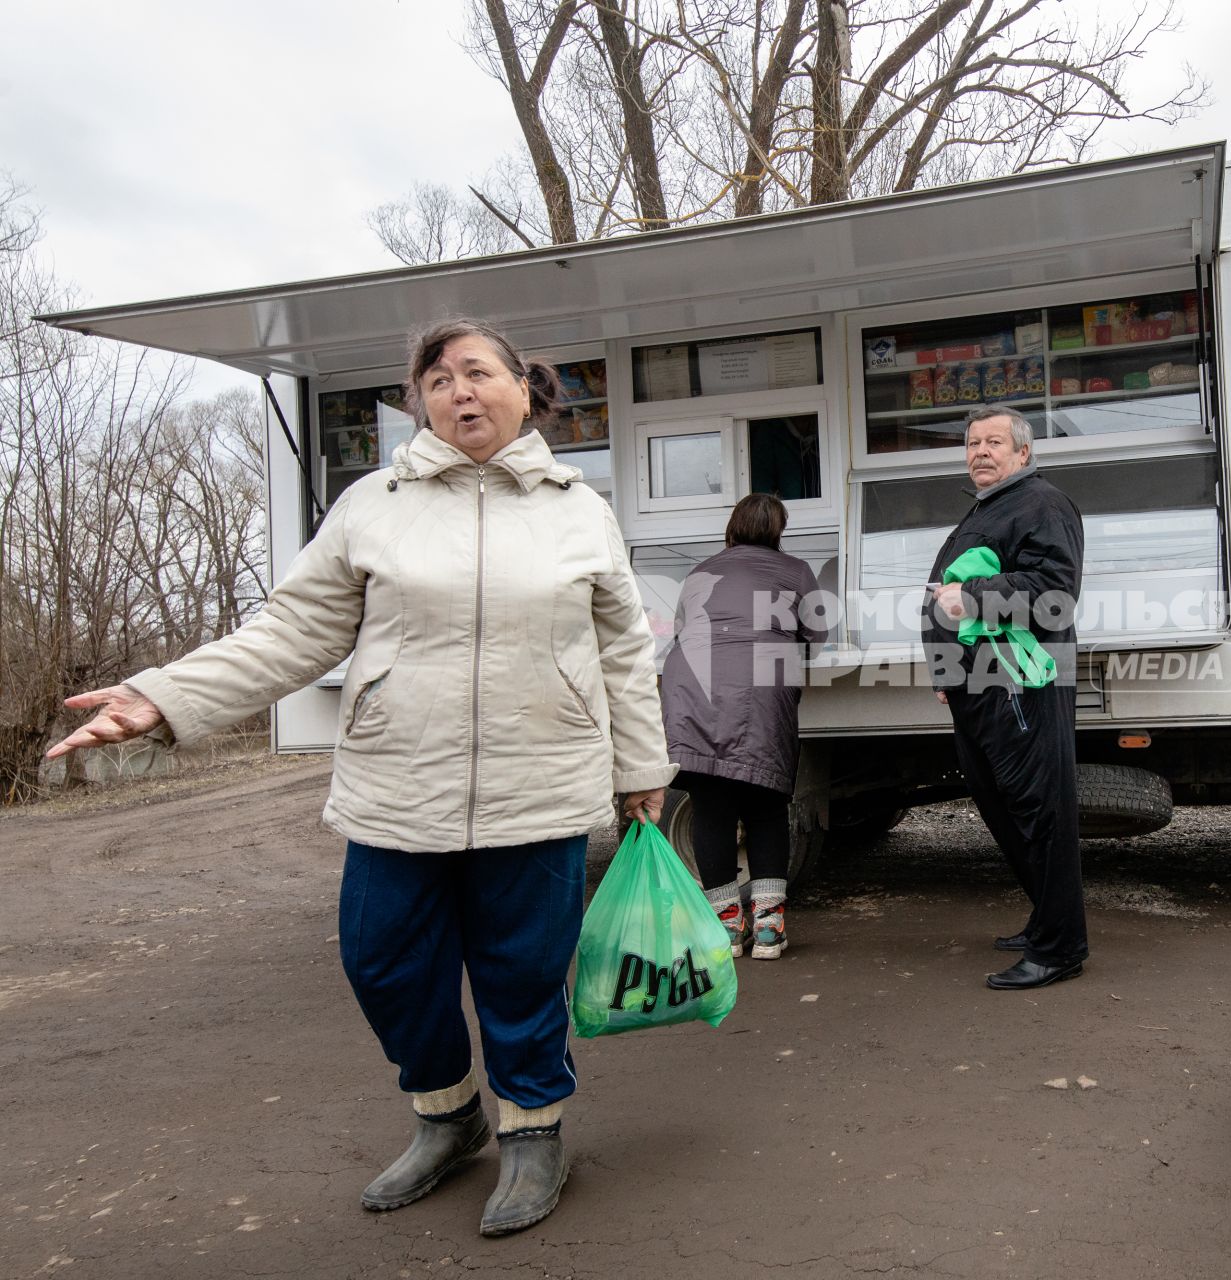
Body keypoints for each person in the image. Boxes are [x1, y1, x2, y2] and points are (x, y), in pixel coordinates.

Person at [45, 318, 675, 1238]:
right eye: (439, 378)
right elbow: (291, 631)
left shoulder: (580, 509)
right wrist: (162, 695)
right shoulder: (373, 503)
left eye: (479, 372)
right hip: (397, 784)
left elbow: (622, 650)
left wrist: (641, 770)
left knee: (524, 972)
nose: (460, 390)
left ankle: (534, 1130)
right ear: (419, 400)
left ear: (522, 389)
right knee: (383, 964)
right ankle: (447, 1115)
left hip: (538, 778)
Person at [922, 407, 1089, 991]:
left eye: (994, 442)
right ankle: (1047, 918)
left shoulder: (1043, 504)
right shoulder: (988, 508)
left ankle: (1060, 947)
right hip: (975, 684)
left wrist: (968, 596)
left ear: (1023, 452)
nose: (980, 451)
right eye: (972, 443)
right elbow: (938, 600)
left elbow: (1054, 594)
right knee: (1000, 805)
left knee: (1039, 809)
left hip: (1022, 680)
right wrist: (944, 670)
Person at [660, 493, 822, 960]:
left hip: (691, 691)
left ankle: (727, 931)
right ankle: (769, 931)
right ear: (778, 532)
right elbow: (817, 636)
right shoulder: (794, 571)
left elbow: (681, 631)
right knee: (766, 805)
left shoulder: (699, 571)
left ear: (731, 529)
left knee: (711, 808)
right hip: (757, 692)